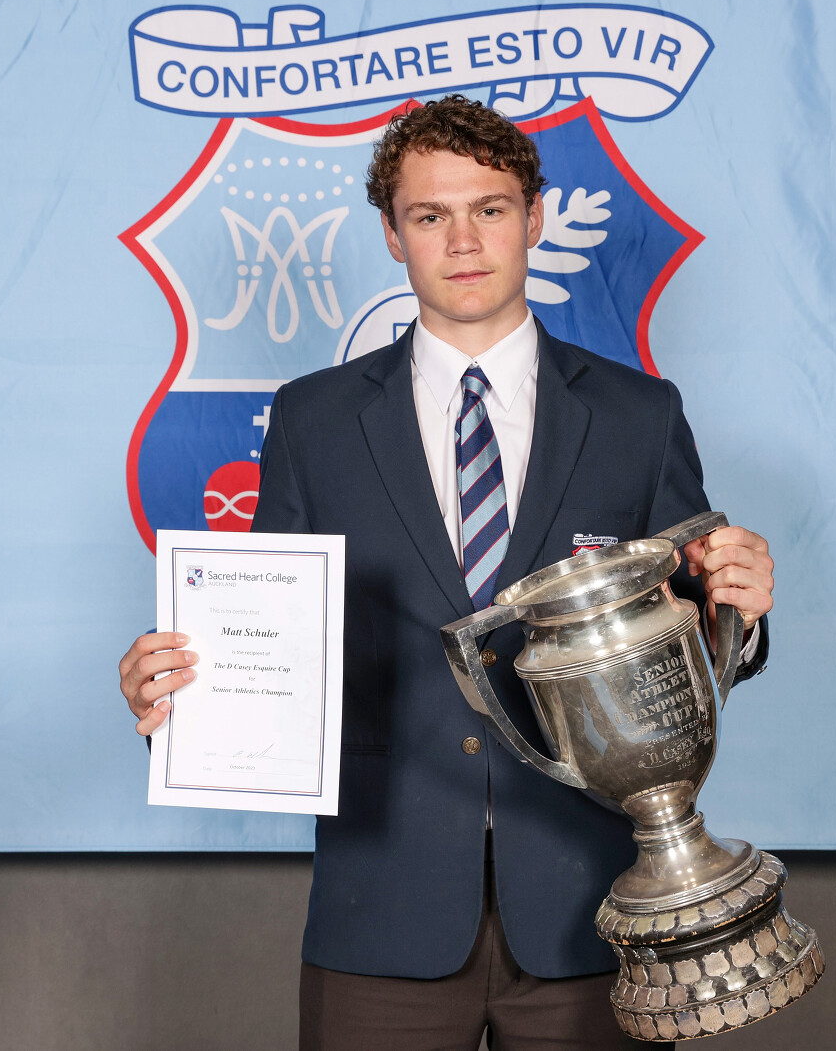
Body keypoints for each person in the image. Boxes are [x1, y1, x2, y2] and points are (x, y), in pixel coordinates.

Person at [119, 95, 775, 1051]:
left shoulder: (639, 415)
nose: (463, 241)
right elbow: (265, 636)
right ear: (393, 235)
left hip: (597, 909)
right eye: (430, 215)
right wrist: (182, 694)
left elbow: (692, 638)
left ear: (534, 218)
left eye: (490, 209)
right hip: (381, 908)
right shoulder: (312, 422)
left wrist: (736, 611)